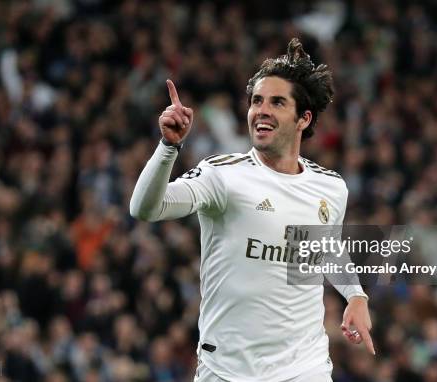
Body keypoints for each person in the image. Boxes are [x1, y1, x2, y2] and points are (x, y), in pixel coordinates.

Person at [130, 38, 374, 382]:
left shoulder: (330, 187)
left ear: (303, 118)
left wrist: (355, 294)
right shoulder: (223, 175)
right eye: (257, 101)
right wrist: (169, 147)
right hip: (227, 368)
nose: (262, 110)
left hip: (304, 367)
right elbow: (145, 209)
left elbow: (327, 247)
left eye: (277, 102)